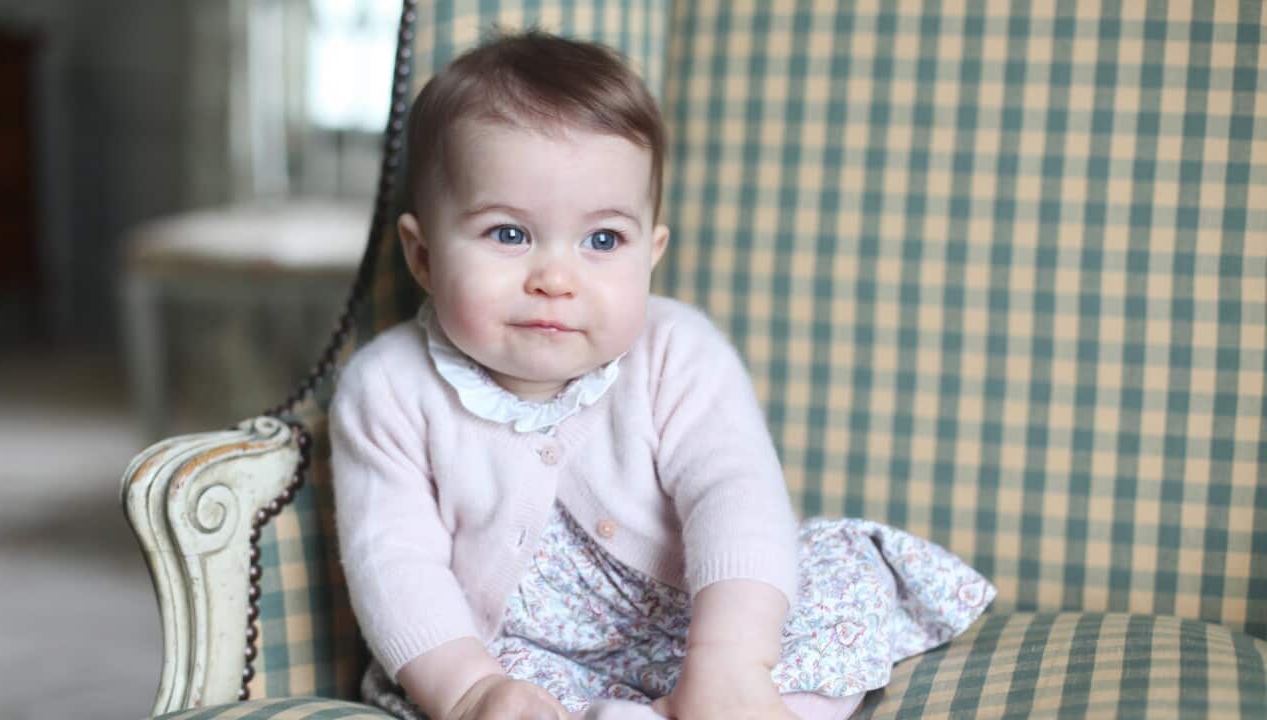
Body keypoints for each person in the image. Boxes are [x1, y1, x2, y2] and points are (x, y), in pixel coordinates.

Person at [330, 30, 994, 720]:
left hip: (701, 619)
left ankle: (744, 700)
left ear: (651, 254)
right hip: (516, 651)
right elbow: (394, 563)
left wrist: (730, 657)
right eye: (509, 233)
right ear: (424, 256)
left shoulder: (677, 351)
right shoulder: (386, 390)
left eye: (602, 240)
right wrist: (470, 688)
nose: (555, 278)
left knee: (830, 574)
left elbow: (733, 492)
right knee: (494, 698)